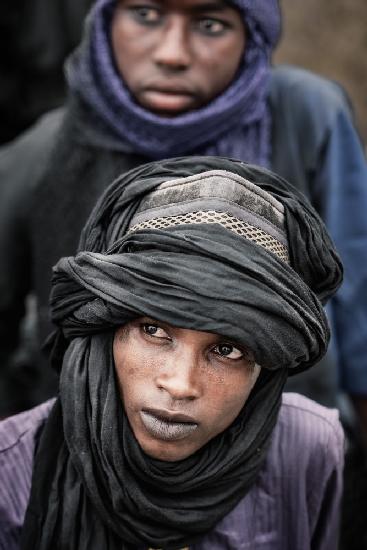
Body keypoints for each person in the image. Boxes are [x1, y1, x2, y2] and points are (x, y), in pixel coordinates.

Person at [0, 0, 366, 426]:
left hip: (285, 430)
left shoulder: (304, 116)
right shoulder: (44, 153)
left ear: (253, 36)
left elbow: (358, 290)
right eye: (146, 15)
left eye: (211, 24)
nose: (172, 54)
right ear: (103, 22)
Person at [0, 157, 344, 550]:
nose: (180, 384)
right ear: (105, 329)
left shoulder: (309, 450)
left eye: (227, 349)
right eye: (154, 331)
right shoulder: (10, 470)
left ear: (265, 366)